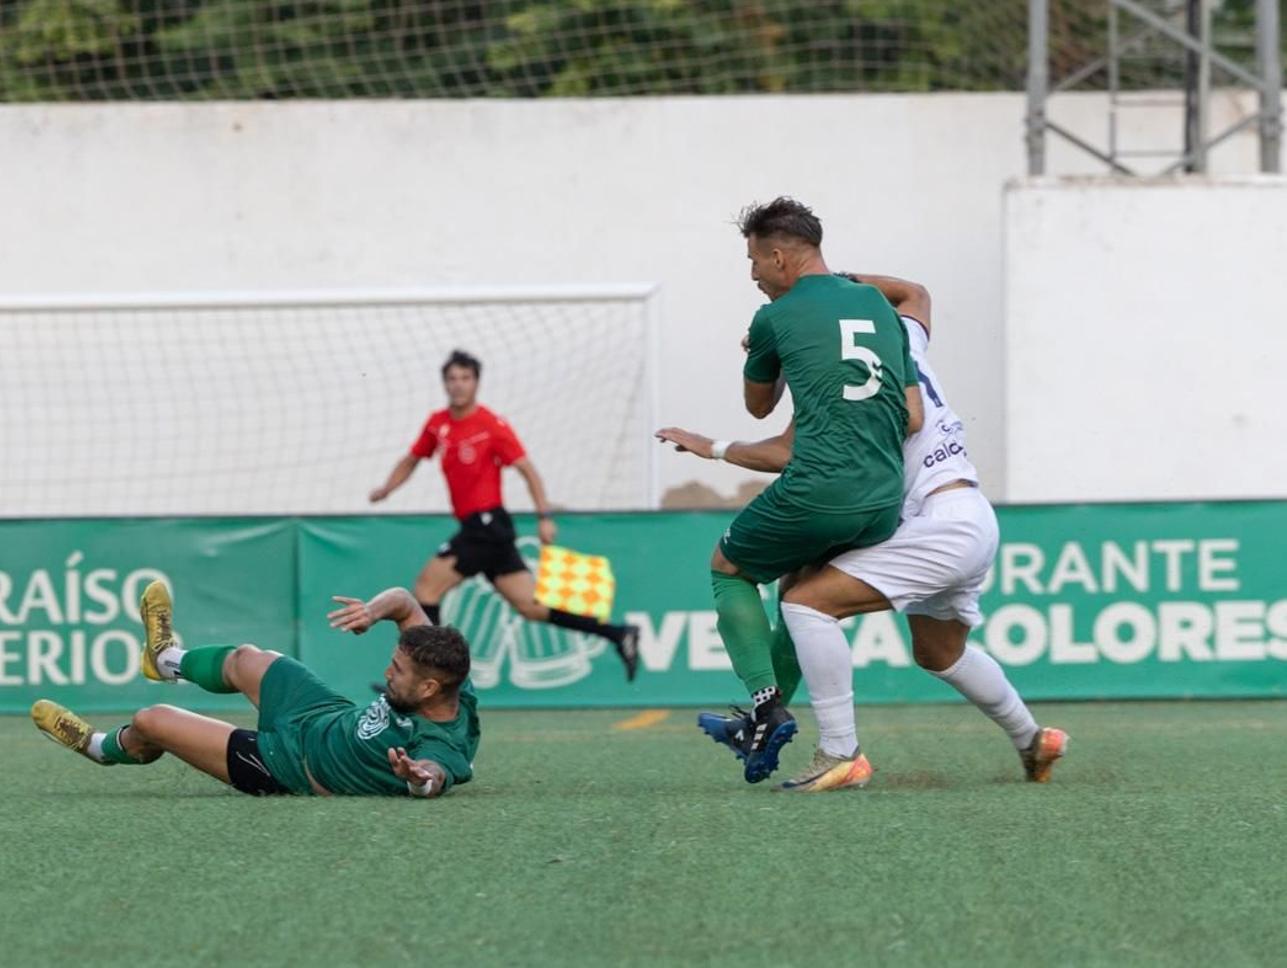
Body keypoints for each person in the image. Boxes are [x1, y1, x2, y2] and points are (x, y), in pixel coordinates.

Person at [657, 270, 1067, 791]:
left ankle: (839, 752)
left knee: (806, 604)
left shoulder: (842, 378)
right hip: (970, 513)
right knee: (939, 653)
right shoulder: (902, 340)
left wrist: (714, 445)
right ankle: (1032, 739)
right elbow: (917, 293)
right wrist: (838, 280)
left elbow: (790, 449)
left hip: (934, 524)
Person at [685, 198, 922, 785]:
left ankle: (766, 703)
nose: (753, 275)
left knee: (728, 569)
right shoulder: (876, 305)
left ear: (779, 255)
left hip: (821, 488)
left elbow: (758, 405)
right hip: (883, 499)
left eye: (754, 261)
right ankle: (763, 726)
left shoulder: (775, 317)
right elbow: (912, 415)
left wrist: (765, 353)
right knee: (799, 587)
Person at [31, 581, 478, 798]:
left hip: (288, 765)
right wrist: (373, 612)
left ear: (429, 688)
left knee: (153, 721)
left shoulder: (440, 745)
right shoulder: (448, 674)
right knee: (247, 658)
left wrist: (418, 781)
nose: (388, 671)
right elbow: (404, 599)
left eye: (397, 671)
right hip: (324, 714)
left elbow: (433, 776)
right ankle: (165, 659)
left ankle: (98, 746)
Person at [369, 349, 641, 680]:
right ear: (445, 383)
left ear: (477, 382)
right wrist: (387, 488)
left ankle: (426, 677)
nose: (458, 385)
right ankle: (618, 634)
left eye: (465, 378)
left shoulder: (491, 424)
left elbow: (528, 470)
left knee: (426, 589)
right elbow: (412, 459)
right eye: (452, 378)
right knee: (530, 607)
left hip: (487, 524)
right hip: (483, 529)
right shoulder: (437, 424)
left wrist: (544, 516)